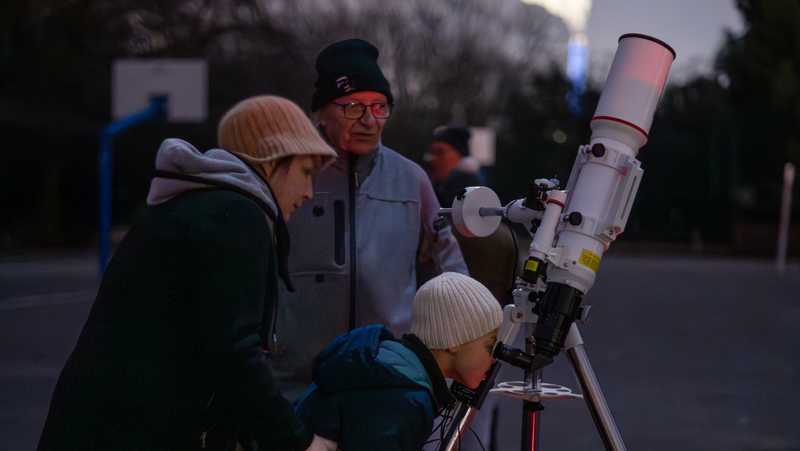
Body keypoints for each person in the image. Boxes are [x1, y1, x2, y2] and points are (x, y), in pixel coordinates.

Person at [37, 96, 338, 451]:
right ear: (271, 162)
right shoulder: (237, 216)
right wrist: (298, 441)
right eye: (305, 172)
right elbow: (234, 353)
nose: (308, 192)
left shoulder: (190, 208)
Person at [272, 38, 469, 397]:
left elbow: (452, 270)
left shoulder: (411, 179)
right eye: (352, 107)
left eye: (379, 107)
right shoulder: (289, 174)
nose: (368, 121)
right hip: (296, 381)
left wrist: (452, 344)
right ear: (320, 113)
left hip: (386, 380)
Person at [294, 272, 502, 451]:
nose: (494, 358)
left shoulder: (388, 364)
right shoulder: (404, 397)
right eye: (489, 345)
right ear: (454, 340)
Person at [425, 125, 483, 208]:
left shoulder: (466, 184)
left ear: (458, 155)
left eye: (439, 152)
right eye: (431, 153)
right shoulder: (437, 183)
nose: (431, 158)